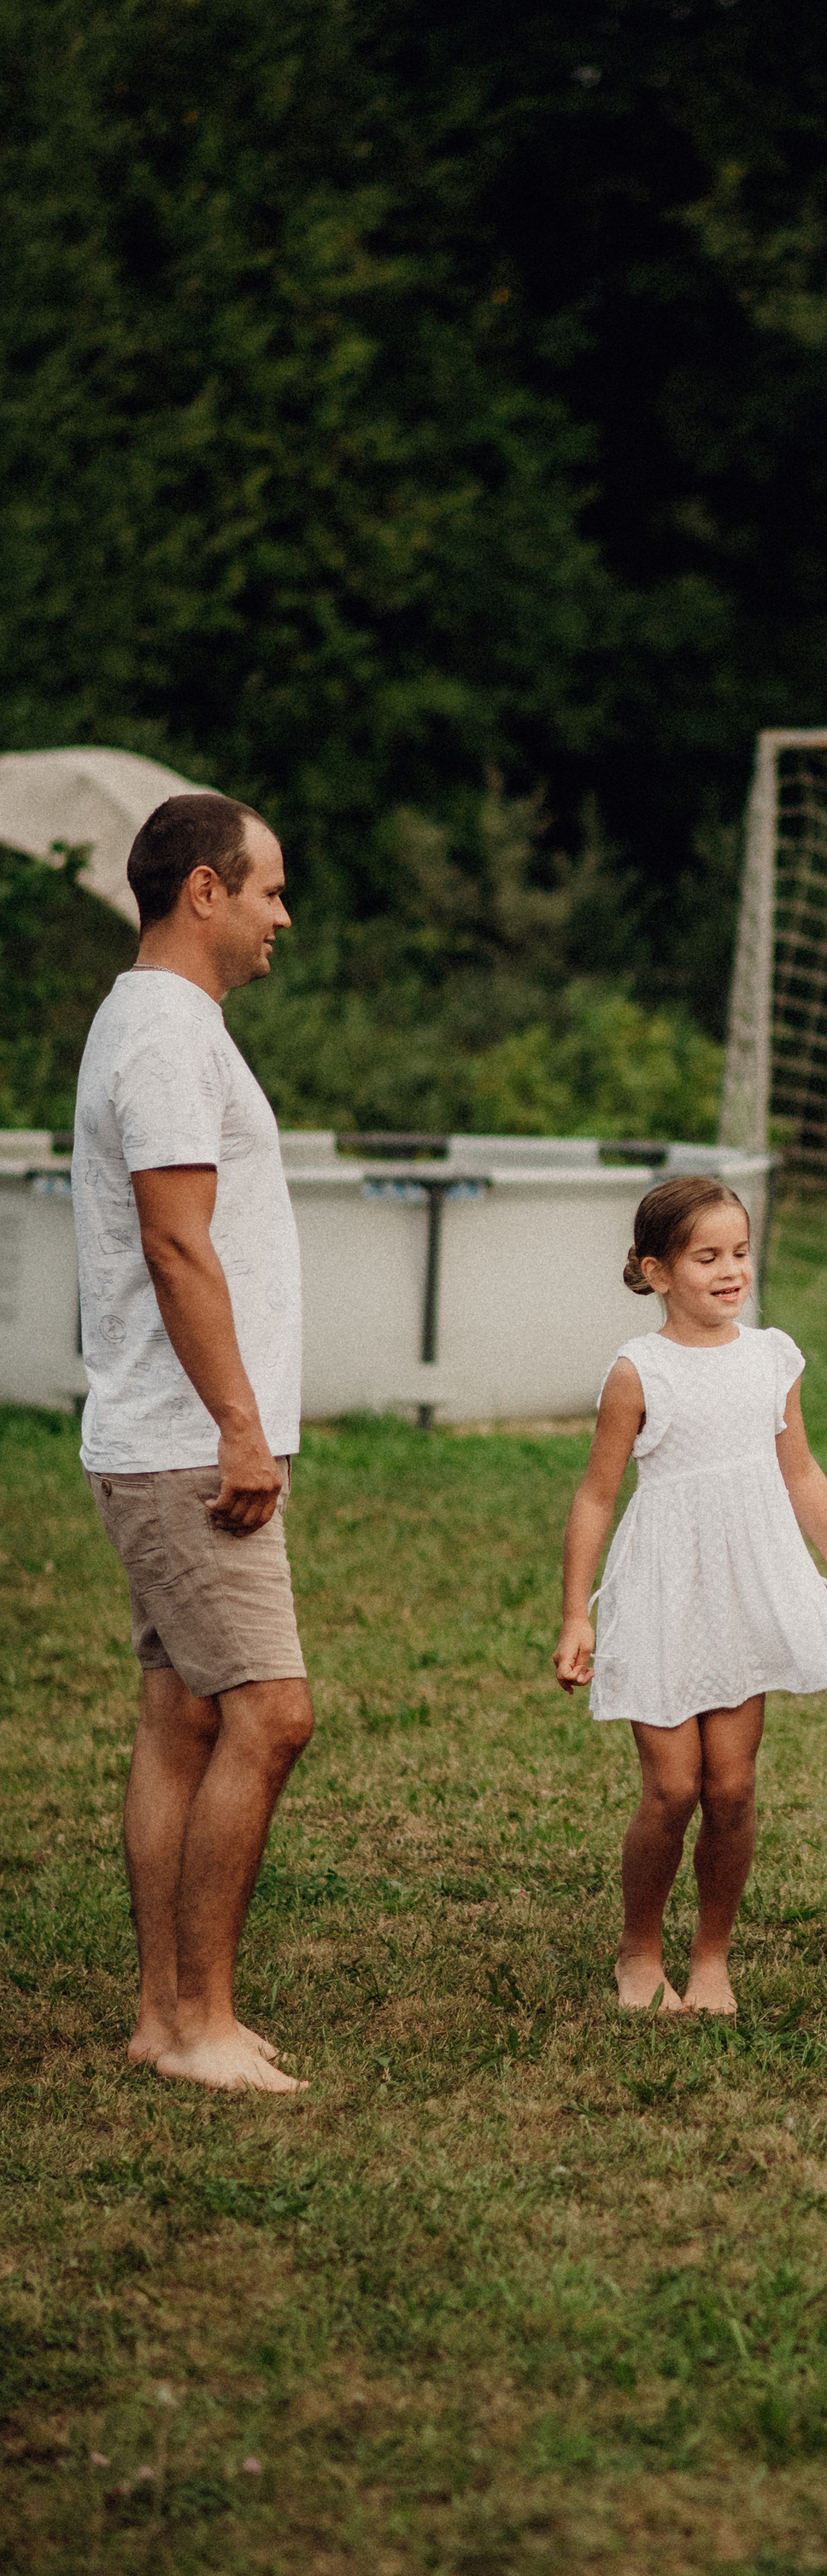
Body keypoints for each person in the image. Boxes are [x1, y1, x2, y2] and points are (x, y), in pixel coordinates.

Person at [74, 792, 314, 2095]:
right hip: (186, 1440)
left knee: (182, 1718)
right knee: (270, 1714)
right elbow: (176, 1242)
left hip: (167, 1434)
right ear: (204, 891)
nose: (285, 915)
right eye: (269, 889)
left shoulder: (163, 1020)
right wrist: (239, 1425)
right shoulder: (166, 1031)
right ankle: (201, 2023)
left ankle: (166, 2016)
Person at [553, 1177, 827, 2016]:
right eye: (707, 1257)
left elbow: (801, 1473)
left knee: (732, 1788)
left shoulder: (772, 1357)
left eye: (741, 1253)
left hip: (744, 1590)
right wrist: (576, 1613)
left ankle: (712, 1956)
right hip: (663, 1589)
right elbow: (596, 1497)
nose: (731, 1271)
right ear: (656, 1272)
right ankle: (639, 1950)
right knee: (672, 1788)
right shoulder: (637, 1372)